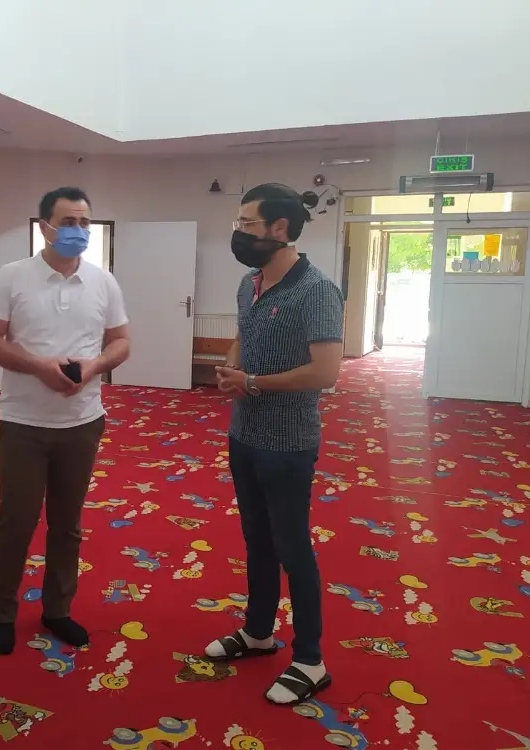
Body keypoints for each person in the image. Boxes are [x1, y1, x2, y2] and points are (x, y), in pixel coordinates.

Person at [204, 184, 344, 705]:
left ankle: (310, 660)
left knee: (292, 547)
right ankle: (258, 632)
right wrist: (233, 366)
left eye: (246, 224)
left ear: (279, 228)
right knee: (256, 539)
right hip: (243, 434)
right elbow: (243, 334)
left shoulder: (317, 290)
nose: (238, 234)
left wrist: (254, 382)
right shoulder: (251, 283)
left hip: (287, 442)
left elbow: (326, 372)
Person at [0, 187, 130, 656]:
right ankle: (3, 613)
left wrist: (94, 366)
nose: (77, 231)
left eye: (84, 223)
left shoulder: (103, 282)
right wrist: (39, 367)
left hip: (82, 422)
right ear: (45, 227)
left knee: (67, 525)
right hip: (23, 422)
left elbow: (121, 341)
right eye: (67, 222)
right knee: (16, 522)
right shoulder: (12, 276)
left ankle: (57, 609)